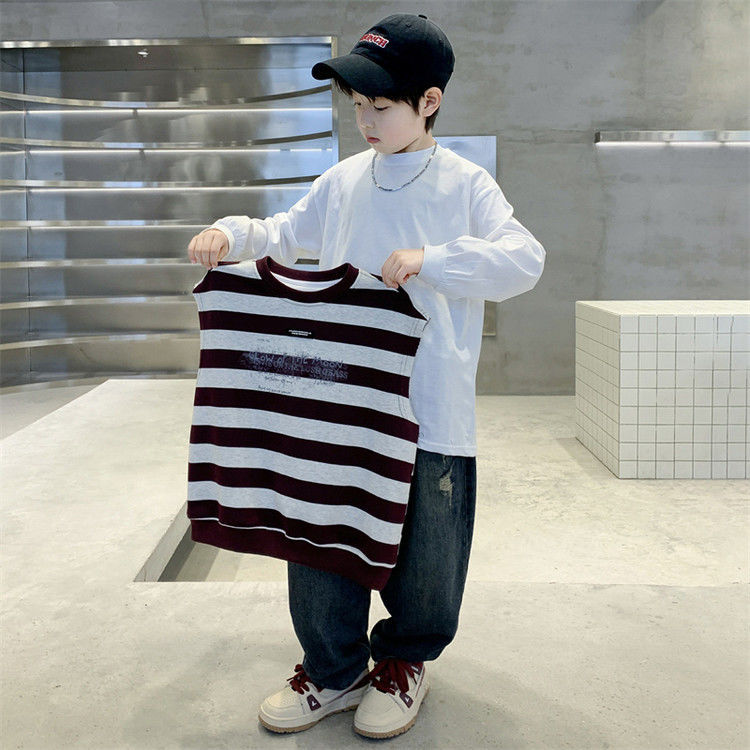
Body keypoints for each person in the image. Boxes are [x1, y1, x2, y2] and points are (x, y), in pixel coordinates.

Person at [187, 12, 546, 741]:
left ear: (430, 101)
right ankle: (333, 669)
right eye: (358, 106)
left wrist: (434, 260)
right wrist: (232, 234)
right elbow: (286, 234)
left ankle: (405, 661)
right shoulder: (344, 179)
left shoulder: (465, 185)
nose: (366, 121)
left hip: (428, 404)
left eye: (381, 106)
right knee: (324, 534)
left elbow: (524, 260)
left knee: (427, 552)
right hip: (336, 402)